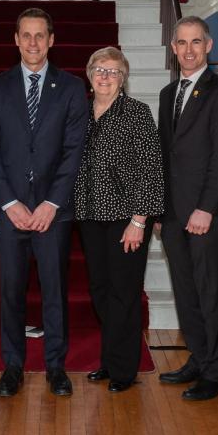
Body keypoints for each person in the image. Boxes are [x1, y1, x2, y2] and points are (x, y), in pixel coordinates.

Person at [0, 7, 88, 398]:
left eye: (40, 35)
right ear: (15, 40)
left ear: (52, 40)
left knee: (54, 290)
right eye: (26, 35)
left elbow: (74, 151)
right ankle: (13, 365)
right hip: (10, 213)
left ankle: (55, 366)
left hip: (52, 214)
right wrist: (8, 203)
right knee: (10, 290)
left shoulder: (73, 89)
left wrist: (51, 204)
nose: (33, 43)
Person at [156, 16, 218, 402]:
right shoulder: (167, 92)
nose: (188, 50)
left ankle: (216, 372)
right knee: (186, 291)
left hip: (207, 214)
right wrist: (158, 209)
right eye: (181, 43)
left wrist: (206, 208)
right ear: (173, 49)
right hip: (173, 213)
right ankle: (199, 356)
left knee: (211, 293)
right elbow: (163, 156)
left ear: (209, 46)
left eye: (196, 42)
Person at [73, 47, 164, 393]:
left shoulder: (137, 114)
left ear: (124, 78)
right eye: (99, 69)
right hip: (89, 214)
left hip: (126, 218)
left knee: (124, 293)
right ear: (89, 73)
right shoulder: (79, 112)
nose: (105, 76)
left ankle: (125, 369)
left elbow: (152, 170)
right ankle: (109, 361)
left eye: (113, 71)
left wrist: (139, 221)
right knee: (100, 290)